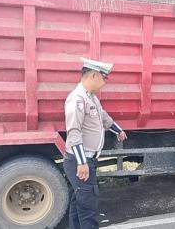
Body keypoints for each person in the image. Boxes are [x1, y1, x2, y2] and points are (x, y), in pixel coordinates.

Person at [64, 58, 128, 229]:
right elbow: (74, 132)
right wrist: (82, 162)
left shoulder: (91, 97)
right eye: (104, 78)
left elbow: (102, 116)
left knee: (79, 201)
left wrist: (118, 130)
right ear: (93, 76)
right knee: (87, 205)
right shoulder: (77, 99)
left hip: (86, 160)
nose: (105, 83)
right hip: (80, 161)